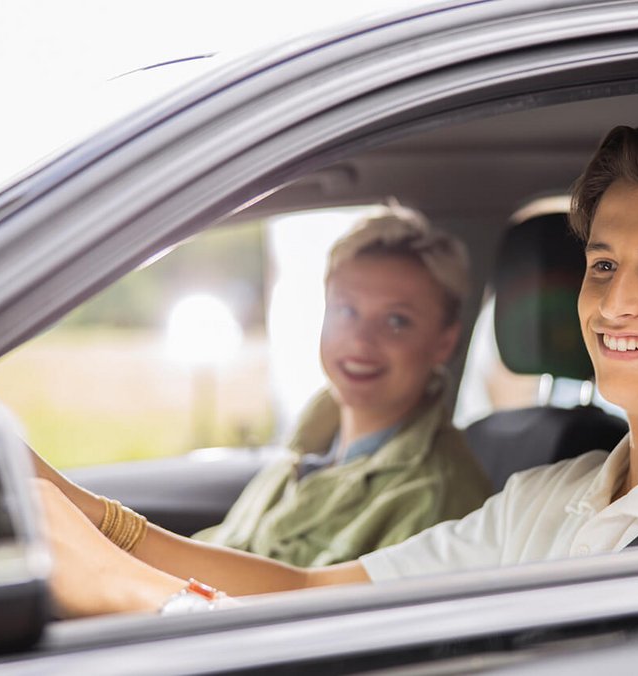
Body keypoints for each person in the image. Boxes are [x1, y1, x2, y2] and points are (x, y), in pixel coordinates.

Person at [35, 117, 638, 617]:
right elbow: (317, 598)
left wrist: (127, 593)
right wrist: (94, 519)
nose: (614, 306)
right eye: (602, 266)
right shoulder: (549, 495)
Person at [34, 207, 492, 570]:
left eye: (397, 320)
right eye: (346, 310)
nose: (360, 339)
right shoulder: (306, 449)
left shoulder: (436, 496)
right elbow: (221, 555)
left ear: (444, 342)